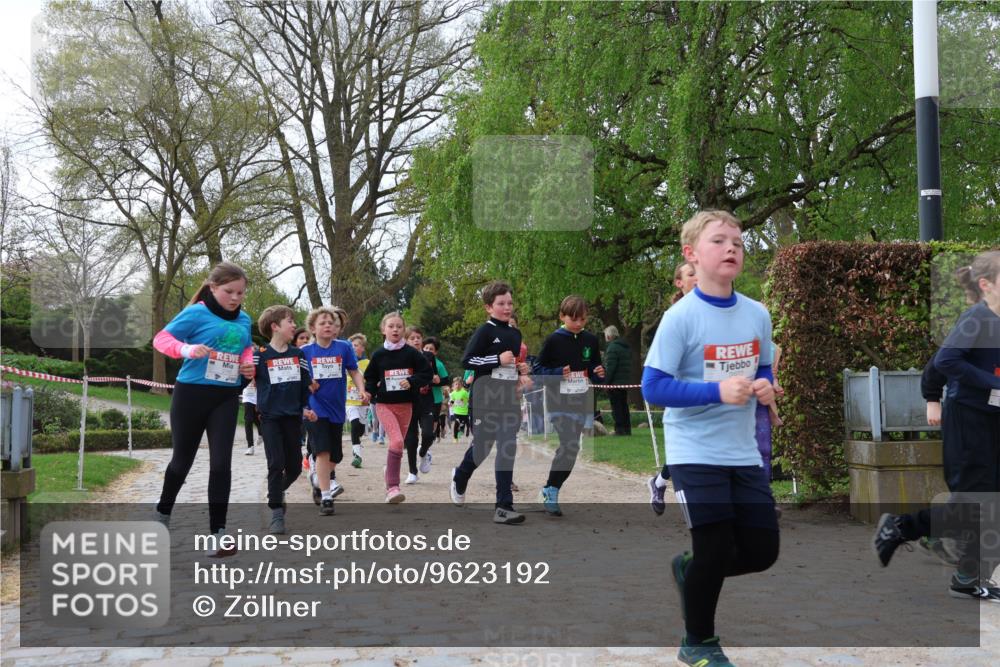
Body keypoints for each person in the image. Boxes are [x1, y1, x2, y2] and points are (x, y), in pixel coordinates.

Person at [642, 210, 779, 666]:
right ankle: (698, 643)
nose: (731, 248)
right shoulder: (680, 318)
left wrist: (766, 386)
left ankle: (691, 568)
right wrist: (716, 391)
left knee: (762, 551)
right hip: (694, 449)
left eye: (737, 242)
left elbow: (763, 365)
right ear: (692, 255)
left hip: (742, 451)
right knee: (715, 547)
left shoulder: (757, 313)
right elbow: (653, 387)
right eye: (719, 241)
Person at [874, 251, 1000, 600]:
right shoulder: (977, 317)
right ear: (987, 285)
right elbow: (944, 360)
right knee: (975, 503)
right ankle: (901, 527)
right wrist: (933, 396)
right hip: (969, 420)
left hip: (993, 418)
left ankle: (968, 576)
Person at [152, 262, 256, 557]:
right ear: (213, 287)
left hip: (225, 396)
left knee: (221, 464)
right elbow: (162, 339)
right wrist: (186, 349)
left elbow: (246, 347)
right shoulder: (197, 313)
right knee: (181, 462)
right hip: (191, 394)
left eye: (240, 293)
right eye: (229, 291)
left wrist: (247, 363)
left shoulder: (244, 319)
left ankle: (218, 534)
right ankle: (162, 513)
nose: (235, 298)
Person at [450, 281, 533, 525]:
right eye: (501, 303)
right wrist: (496, 359)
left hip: (508, 399)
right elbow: (468, 361)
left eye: (510, 303)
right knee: (482, 448)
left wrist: (521, 370)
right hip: (485, 397)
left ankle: (504, 507)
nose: (507, 307)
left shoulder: (515, 334)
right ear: (489, 307)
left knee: (507, 446)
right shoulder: (485, 331)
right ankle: (460, 476)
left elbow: (510, 364)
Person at [532, 295, 605, 516]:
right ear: (562, 316)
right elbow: (537, 370)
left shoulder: (590, 340)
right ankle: (552, 491)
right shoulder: (553, 340)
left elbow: (594, 368)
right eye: (574, 319)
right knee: (569, 443)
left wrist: (599, 373)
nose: (578, 324)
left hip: (581, 401)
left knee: (572, 450)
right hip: (558, 402)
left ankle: (550, 488)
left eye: (583, 319)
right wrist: (556, 373)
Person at [253, 305, 317, 534]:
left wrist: (306, 408)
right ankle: (277, 514)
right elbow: (247, 380)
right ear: (275, 326)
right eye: (289, 321)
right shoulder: (260, 355)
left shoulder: (298, 355)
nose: (294, 325)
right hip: (270, 418)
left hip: (293, 418)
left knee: (294, 467)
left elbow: (305, 384)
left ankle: (276, 492)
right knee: (275, 463)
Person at [301, 307, 368, 516]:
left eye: (331, 322)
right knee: (323, 451)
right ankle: (326, 497)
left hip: (337, 408)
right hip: (314, 408)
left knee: (336, 455)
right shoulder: (305, 351)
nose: (328, 326)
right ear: (313, 328)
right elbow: (297, 377)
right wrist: (308, 382)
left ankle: (316, 478)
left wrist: (362, 390)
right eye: (322, 323)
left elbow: (354, 371)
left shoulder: (344, 347)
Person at [363, 312, 432, 503]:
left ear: (404, 330)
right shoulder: (378, 355)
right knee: (397, 442)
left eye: (399, 326)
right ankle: (393, 488)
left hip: (406, 405)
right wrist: (368, 393)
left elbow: (426, 373)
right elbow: (370, 378)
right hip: (384, 404)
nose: (395, 330)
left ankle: (389, 472)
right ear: (383, 330)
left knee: (397, 445)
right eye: (391, 326)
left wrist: (412, 381)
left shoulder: (411, 353)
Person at [648, 260, 699, 515]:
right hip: (684, 393)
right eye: (691, 274)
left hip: (714, 397)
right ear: (680, 283)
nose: (698, 276)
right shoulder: (675, 317)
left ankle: (658, 482)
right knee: (687, 451)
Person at [401, 326, 438, 484]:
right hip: (408, 401)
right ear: (406, 340)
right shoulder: (402, 357)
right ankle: (412, 472)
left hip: (426, 400)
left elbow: (433, 376)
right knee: (410, 438)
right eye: (412, 338)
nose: (416, 340)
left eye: (418, 337)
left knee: (429, 434)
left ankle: (423, 452)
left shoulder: (429, 356)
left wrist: (435, 380)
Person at [603, 325, 633, 436]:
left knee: (616, 407)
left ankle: (619, 429)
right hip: (624, 381)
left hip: (615, 382)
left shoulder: (612, 348)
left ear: (609, 336)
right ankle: (627, 429)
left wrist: (606, 383)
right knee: (624, 406)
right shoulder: (625, 347)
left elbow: (610, 368)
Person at [346, 333, 370, 468]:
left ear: (362, 348)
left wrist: (368, 392)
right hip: (349, 401)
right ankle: (357, 455)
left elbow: (372, 380)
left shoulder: (367, 363)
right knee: (354, 425)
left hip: (363, 401)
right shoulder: (345, 362)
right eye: (351, 346)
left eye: (356, 345)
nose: (354, 348)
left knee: (360, 429)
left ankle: (357, 443)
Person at [424, 336, 451, 446]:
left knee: (434, 421)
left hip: (436, 398)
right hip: (421, 398)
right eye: (426, 348)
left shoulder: (439, 364)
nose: (428, 350)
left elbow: (446, 380)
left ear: (435, 352)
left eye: (431, 349)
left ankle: (430, 438)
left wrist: (434, 382)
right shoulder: (417, 361)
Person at [241, 379, 261, 456]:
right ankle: (250, 446)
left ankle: (261, 433)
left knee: (256, 419)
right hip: (247, 397)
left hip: (257, 396)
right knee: (248, 420)